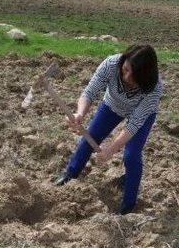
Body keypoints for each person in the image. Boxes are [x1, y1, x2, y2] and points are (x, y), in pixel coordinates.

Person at [55, 45, 163, 215]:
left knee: (131, 155)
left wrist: (111, 150)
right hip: (112, 105)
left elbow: (133, 125)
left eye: (133, 77)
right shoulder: (112, 64)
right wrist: (80, 114)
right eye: (125, 70)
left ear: (144, 78)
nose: (126, 77)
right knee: (91, 137)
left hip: (141, 115)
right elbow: (90, 92)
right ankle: (71, 173)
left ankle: (128, 204)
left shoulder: (154, 88)